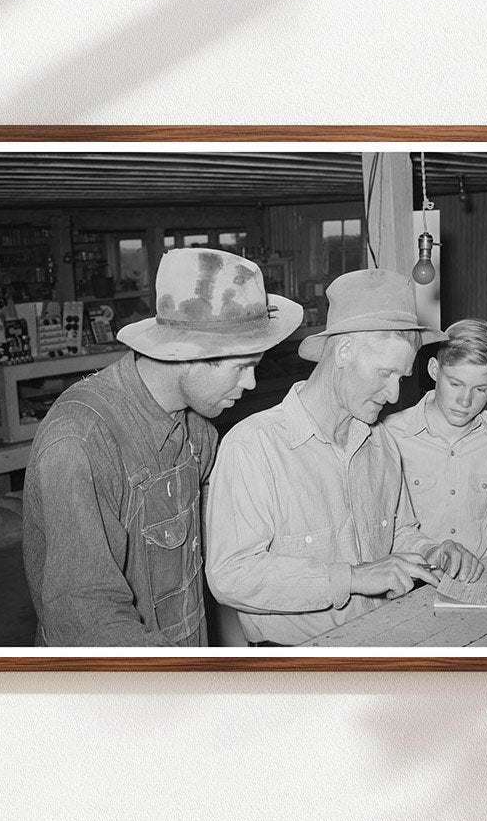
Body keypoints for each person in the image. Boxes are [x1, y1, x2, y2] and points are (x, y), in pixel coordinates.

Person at [22, 248, 303, 646]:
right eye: (242, 366)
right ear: (190, 354)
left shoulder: (197, 430)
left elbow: (212, 567)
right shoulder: (81, 442)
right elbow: (87, 621)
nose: (252, 383)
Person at [204, 268, 484, 647]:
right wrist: (352, 577)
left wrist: (432, 551)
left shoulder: (380, 443)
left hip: (378, 639)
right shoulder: (254, 446)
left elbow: (396, 533)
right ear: (344, 350)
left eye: (400, 378)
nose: (393, 394)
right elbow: (231, 577)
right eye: (385, 373)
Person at [383, 319, 487, 559]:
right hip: (419, 579)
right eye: (455, 384)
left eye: (481, 389)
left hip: (484, 572)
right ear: (434, 370)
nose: (465, 401)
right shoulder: (390, 435)